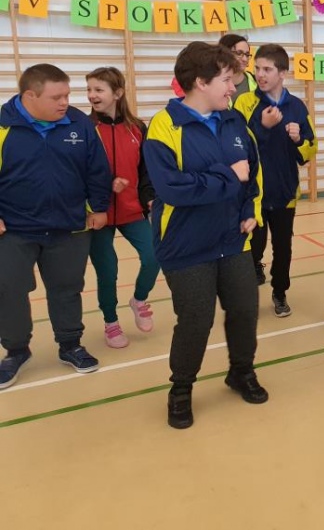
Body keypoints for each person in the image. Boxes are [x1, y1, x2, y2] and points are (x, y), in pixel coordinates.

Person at [145, 42, 268, 429]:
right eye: (227, 80)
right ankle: (181, 389)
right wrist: (228, 177)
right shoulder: (164, 125)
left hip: (232, 240)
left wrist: (248, 211)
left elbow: (252, 174)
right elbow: (173, 189)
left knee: (245, 311)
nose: (233, 87)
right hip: (186, 245)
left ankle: (241, 371)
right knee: (196, 320)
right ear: (200, 82)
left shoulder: (234, 122)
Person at [0, 64, 111, 390]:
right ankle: (16, 350)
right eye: (56, 97)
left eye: (67, 95)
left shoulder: (79, 123)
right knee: (8, 290)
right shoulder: (3, 125)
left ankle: (70, 345)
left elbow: (97, 168)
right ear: (30, 96)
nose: (65, 102)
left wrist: (99, 207)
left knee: (67, 288)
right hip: (14, 229)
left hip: (69, 226)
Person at [234, 44, 316, 318]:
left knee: (283, 249)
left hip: (284, 192)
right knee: (251, 249)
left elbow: (310, 150)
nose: (260, 74)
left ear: (282, 73)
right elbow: (236, 146)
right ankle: (245, 297)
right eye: (257, 68)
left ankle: (280, 292)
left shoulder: (297, 106)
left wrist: (299, 140)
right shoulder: (245, 103)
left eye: (267, 69)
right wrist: (262, 127)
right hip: (253, 195)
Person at [86, 67, 159, 348]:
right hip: (98, 214)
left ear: (117, 93)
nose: (92, 95)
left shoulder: (137, 128)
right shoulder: (85, 128)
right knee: (108, 271)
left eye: (98, 89)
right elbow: (79, 171)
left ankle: (139, 300)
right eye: (89, 89)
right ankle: (111, 322)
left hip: (132, 210)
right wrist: (106, 187)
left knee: (154, 256)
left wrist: (148, 197)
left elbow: (145, 171)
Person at [170, 34, 257, 104]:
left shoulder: (257, 81)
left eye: (247, 54)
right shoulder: (207, 82)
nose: (245, 59)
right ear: (225, 53)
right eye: (239, 53)